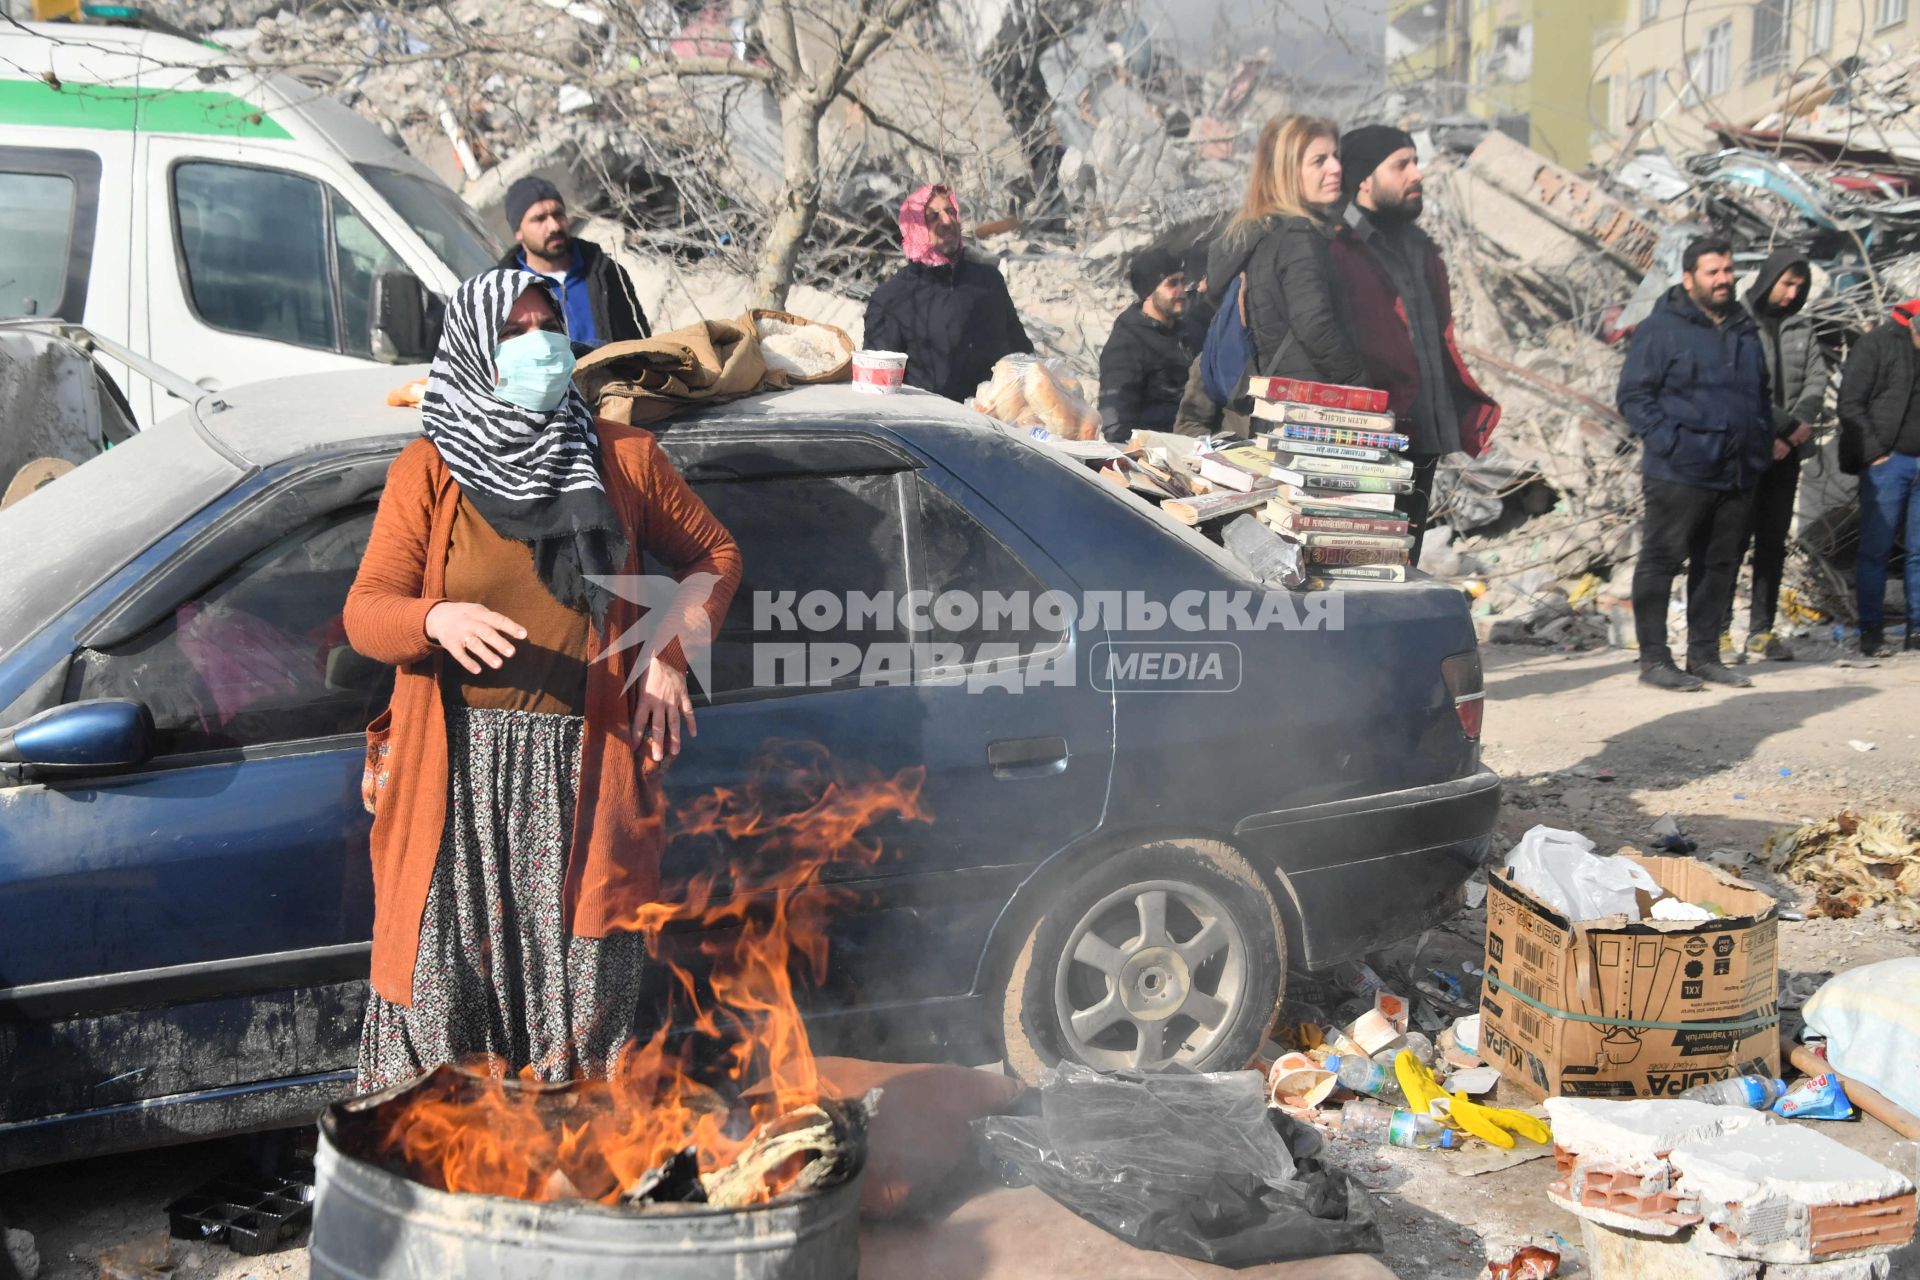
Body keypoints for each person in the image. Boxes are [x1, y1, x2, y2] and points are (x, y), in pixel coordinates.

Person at [345, 268, 741, 1092]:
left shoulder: (621, 458)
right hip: (452, 783)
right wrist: (433, 620)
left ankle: (577, 1180)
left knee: (587, 995)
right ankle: (449, 1182)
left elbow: (715, 559)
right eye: (516, 331)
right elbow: (366, 612)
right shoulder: (430, 470)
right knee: (440, 990)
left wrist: (670, 651)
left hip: (583, 775)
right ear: (475, 349)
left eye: (548, 325)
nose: (540, 346)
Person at [1330, 124, 1501, 560]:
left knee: (1402, 562)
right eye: (1401, 165)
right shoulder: (1336, 249)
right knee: (1360, 567)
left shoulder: (1419, 248)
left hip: (1423, 434)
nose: (1417, 174)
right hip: (1367, 437)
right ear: (1364, 178)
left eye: (1416, 162)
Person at [1616, 235, 1775, 691]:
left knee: (1720, 563)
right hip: (1680, 470)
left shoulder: (1744, 327)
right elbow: (1633, 396)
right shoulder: (1661, 329)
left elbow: (1760, 393)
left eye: (1728, 270)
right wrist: (1673, 442)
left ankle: (1705, 655)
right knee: (1661, 561)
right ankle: (1654, 661)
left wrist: (1760, 443)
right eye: (1714, 272)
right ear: (1689, 278)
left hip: (1739, 468)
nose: (1724, 279)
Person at [1724, 250, 1829, 662]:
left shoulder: (1802, 325)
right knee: (1730, 542)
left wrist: (1796, 427)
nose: (1792, 293)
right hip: (1748, 449)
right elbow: (1742, 386)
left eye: (1799, 287)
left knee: (1772, 543)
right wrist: (1781, 428)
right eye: (1787, 283)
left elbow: (1816, 380)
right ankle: (1717, 632)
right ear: (1769, 279)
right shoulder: (1738, 322)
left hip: (1786, 453)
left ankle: (1761, 631)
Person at [1218, 114, 1367, 393]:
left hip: (1284, 400)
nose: (1336, 167)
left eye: (1335, 156)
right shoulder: (1299, 237)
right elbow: (1314, 326)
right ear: (1287, 172)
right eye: (1319, 161)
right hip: (1311, 406)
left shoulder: (1266, 233)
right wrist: (1359, 384)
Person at [863, 184, 1033, 401]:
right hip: (932, 427)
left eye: (950, 211)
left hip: (996, 423)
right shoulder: (893, 299)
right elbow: (878, 390)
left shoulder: (988, 282)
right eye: (933, 216)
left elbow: (1022, 353)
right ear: (915, 227)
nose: (947, 221)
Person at [1836, 297, 1920, 655]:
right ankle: (1870, 631)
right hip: (1889, 463)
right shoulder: (1877, 345)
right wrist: (1875, 453)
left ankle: (1916, 632)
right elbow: (1850, 403)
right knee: (1875, 549)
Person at [498, 176, 651, 348]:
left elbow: (640, 341)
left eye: (558, 214)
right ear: (518, 231)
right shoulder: (506, 296)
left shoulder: (604, 273)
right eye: (540, 219)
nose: (554, 226)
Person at [1097, 248, 1196, 438]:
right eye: (1172, 284)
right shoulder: (1127, 342)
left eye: (1182, 282)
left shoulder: (1183, 332)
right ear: (1149, 291)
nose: (1182, 291)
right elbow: (1115, 416)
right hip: (1153, 449)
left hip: (1188, 440)